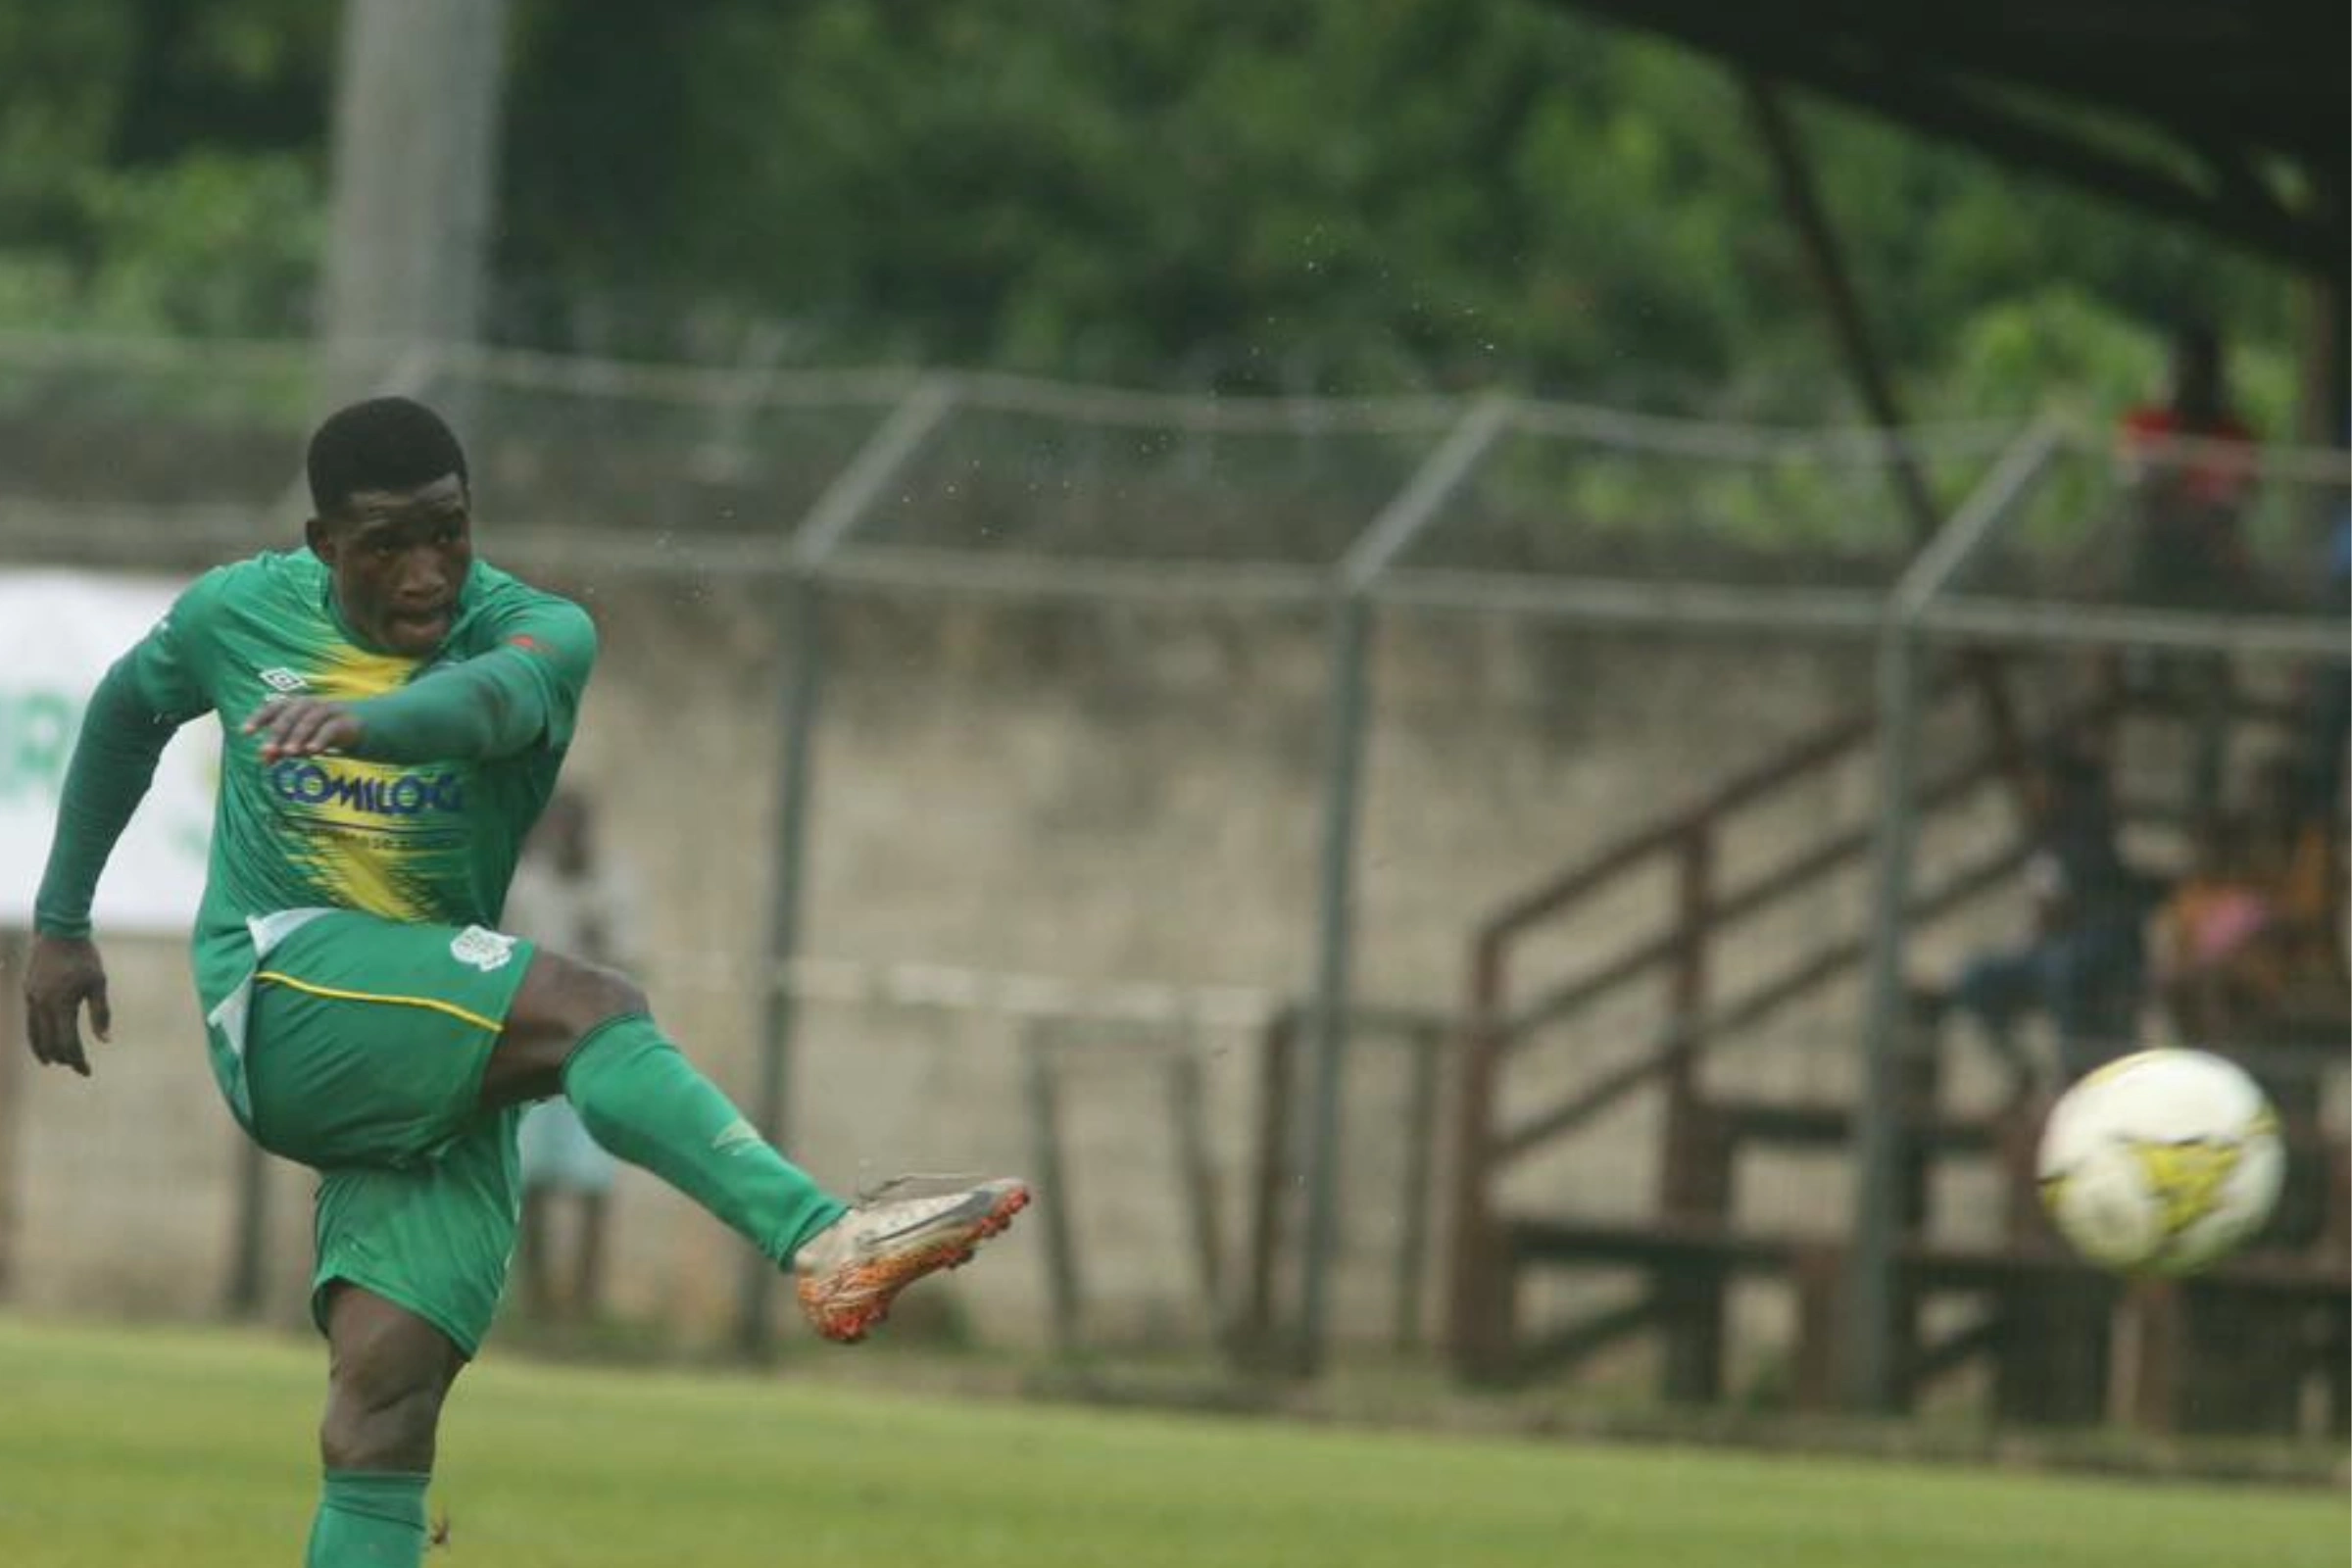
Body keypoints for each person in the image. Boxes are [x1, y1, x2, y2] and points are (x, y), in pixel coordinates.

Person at [18, 397, 1029, 1568]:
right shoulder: (235, 614)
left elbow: (487, 704)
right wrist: (60, 921)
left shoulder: (540, 631)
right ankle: (819, 1237)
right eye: (386, 543)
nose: (426, 569)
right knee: (592, 1008)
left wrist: (373, 724)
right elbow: (126, 712)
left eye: (447, 530)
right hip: (282, 989)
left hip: (438, 1026)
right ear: (320, 544)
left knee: (385, 1411)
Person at [1948, 740, 2154, 1090]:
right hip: (2051, 950)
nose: (2032, 790)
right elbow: (2044, 911)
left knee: (2064, 970)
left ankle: (2074, 1082)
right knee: (1976, 978)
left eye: (2039, 780)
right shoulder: (2041, 839)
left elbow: (2089, 905)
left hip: (2100, 947)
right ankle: (2020, 1071)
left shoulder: (2090, 832)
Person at [506, 790, 633, 1326]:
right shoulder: (526, 885)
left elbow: (630, 960)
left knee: (593, 1179)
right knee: (530, 1175)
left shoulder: (613, 886)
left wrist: (598, 936)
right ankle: (536, 1301)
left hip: (595, 1046)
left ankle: (582, 1306)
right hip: (536, 1047)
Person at [2114, 320, 2259, 610]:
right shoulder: (2144, 423)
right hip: (2150, 540)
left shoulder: (2235, 435)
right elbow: (2131, 481)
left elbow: (2242, 498)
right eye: (2186, 366)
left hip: (2211, 547)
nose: (2193, 379)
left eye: (2203, 369)